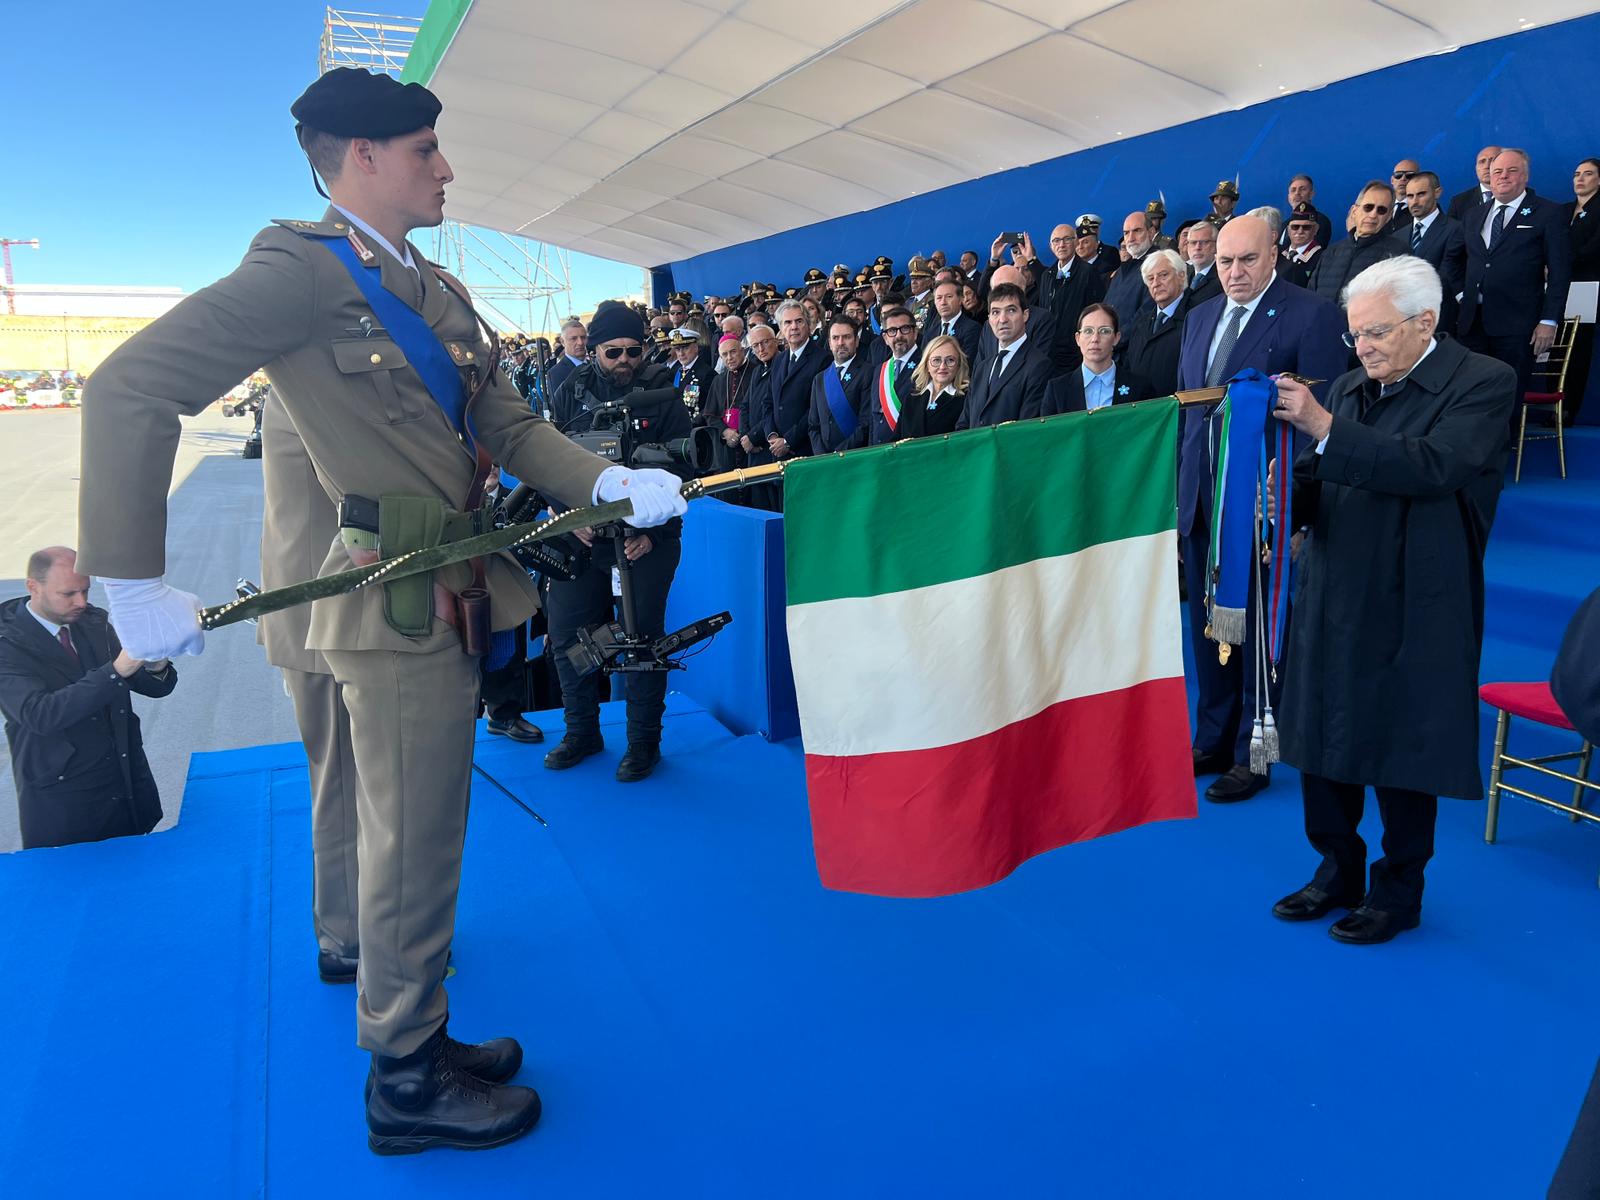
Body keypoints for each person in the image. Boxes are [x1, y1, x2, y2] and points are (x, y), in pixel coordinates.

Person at [73, 68, 686, 1154]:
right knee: (411, 841)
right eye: (424, 150)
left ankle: (415, 1031)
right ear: (360, 157)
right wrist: (130, 576)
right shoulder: (297, 273)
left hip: (444, 583)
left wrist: (601, 480)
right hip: (388, 599)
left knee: (417, 831)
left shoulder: (437, 293)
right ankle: (406, 1075)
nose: (445, 167)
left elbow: (510, 423)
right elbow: (130, 387)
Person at [1269, 256, 1513, 943]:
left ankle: (1398, 891)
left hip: (1417, 598)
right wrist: (1284, 504)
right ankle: (1335, 870)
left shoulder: (1484, 383)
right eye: (1356, 335)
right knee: (1321, 740)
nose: (1363, 347)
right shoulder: (1348, 386)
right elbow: (1321, 478)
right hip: (1334, 588)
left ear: (1425, 321)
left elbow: (1434, 466)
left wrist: (1324, 429)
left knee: (1405, 750)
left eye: (1376, 333)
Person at [1176, 214, 1347, 802]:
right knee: (1207, 627)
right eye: (1224, 261)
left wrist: (1296, 505)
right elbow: (1189, 417)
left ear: (1274, 255)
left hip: (1261, 504)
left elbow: (1322, 417)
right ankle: (1213, 735)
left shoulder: (1311, 314)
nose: (1234, 272)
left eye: (1247, 260)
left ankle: (1258, 745)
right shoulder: (1199, 317)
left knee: (1258, 630)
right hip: (1201, 499)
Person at [547, 302, 689, 784]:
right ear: (593, 350)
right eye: (614, 352)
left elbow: (684, 473)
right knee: (568, 635)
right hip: (581, 538)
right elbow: (544, 460)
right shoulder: (568, 391)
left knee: (644, 641)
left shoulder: (664, 394)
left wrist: (651, 531)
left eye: (634, 350)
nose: (625, 360)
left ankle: (644, 745)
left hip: (645, 541)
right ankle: (582, 732)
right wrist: (569, 518)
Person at [257, 390, 365, 983]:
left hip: (317, 617)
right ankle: (346, 938)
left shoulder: (296, 384)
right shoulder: (308, 392)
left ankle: (367, 923)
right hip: (325, 622)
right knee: (345, 787)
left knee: (351, 783)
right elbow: (370, 487)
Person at [0, 546, 178, 850]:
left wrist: (156, 660)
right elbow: (40, 714)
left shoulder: (93, 622)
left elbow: (154, 686)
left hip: (123, 783)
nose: (81, 602)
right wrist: (116, 670)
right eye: (68, 593)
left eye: (85, 590)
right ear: (33, 587)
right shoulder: (8, 645)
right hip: (65, 802)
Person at [1458, 148, 1573, 420]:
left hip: (1516, 327)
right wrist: (1462, 294)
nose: (1503, 176)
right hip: (1472, 325)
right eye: (1497, 171)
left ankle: (1501, 460)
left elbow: (1560, 272)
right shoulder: (1474, 215)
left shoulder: (1549, 213)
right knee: (1468, 399)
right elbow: (1456, 260)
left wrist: (1549, 321)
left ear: (1525, 176)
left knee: (1505, 401)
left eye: (1511, 171)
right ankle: (1468, 458)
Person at [957, 283, 1051, 429]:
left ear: (1025, 315)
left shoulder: (1039, 365)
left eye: (1011, 310)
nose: (1002, 319)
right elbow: (964, 422)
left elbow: (1027, 428)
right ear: (989, 319)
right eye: (995, 312)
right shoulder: (982, 368)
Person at [1042, 302, 1154, 414]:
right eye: (1088, 331)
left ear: (1116, 338)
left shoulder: (1140, 388)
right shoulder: (1057, 390)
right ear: (1077, 339)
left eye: (1104, 331)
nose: (1095, 338)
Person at [754, 298, 829, 465]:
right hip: (777, 452)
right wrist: (772, 435)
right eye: (787, 322)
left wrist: (787, 440)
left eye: (799, 321)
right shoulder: (779, 360)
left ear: (808, 324)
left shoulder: (822, 359)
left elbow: (815, 410)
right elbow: (767, 402)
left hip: (805, 451)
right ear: (780, 328)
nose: (793, 327)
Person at [1036, 221, 1108, 372]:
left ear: (1075, 242)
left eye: (1067, 239)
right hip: (1048, 352)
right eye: (1056, 240)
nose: (1061, 244)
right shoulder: (1046, 276)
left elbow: (1095, 313)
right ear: (1051, 246)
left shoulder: (1088, 272)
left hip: (1075, 353)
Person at [1401, 171, 1467, 333]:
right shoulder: (1398, 235)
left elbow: (1449, 275)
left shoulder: (1456, 229)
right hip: (1403, 321)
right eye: (1410, 196)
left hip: (1440, 321)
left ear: (1437, 192)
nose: (1414, 202)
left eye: (1421, 194)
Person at [1560, 157, 1600, 425]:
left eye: (1587, 174)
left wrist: (1558, 263)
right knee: (1554, 347)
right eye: (1576, 173)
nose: (1580, 179)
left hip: (1587, 287)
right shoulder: (1562, 211)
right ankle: (1550, 402)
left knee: (1577, 349)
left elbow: (1594, 249)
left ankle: (1568, 410)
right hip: (1556, 287)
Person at [1124, 249, 1190, 395]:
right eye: (1150, 279)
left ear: (1181, 275)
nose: (1156, 283)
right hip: (1142, 409)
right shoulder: (1141, 322)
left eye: (1163, 275)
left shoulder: (1195, 319)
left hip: (1176, 409)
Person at [806, 315, 870, 453]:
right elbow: (813, 426)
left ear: (856, 341)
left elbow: (866, 423)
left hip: (855, 456)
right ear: (829, 343)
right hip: (825, 461)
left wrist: (840, 453)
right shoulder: (820, 379)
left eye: (846, 337)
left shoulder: (868, 372)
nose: (840, 342)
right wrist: (821, 455)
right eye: (835, 338)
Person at [897, 334, 968, 439]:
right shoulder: (911, 398)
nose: (943, 366)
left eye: (950, 360)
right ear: (926, 365)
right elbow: (896, 440)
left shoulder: (966, 399)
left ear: (958, 365)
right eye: (936, 360)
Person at [1105, 211, 1157, 331]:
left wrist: (1115, 340)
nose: (1131, 238)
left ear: (1151, 233)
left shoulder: (1157, 266)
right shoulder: (1120, 271)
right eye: (1126, 233)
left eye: (1137, 231)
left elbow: (1146, 315)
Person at [920, 275, 982, 364]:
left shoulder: (973, 329)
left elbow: (967, 364)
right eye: (939, 298)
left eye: (949, 296)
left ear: (961, 299)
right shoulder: (930, 333)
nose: (943, 302)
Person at [1446, 144, 1501, 221]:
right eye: (1482, 161)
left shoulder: (1519, 196)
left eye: (1492, 160)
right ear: (1476, 168)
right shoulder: (1459, 203)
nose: (1487, 166)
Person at [1280, 174, 1333, 251]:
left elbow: (1315, 252)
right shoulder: (1283, 225)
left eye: (1302, 189)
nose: (1297, 193)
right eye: (1293, 190)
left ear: (1311, 194)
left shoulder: (1320, 221)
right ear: (1289, 197)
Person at [1278, 203, 1323, 288]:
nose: (1300, 231)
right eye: (1295, 227)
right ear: (1288, 229)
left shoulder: (1322, 258)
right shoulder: (1278, 255)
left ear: (1316, 229)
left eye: (1306, 227)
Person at [545, 317, 587, 394]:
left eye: (583, 337)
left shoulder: (595, 366)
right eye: (573, 339)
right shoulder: (556, 373)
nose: (580, 342)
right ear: (562, 341)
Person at [1185, 220, 1222, 306]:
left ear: (1216, 245)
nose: (1198, 247)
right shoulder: (1182, 274)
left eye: (1204, 242)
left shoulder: (1222, 276)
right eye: (1193, 243)